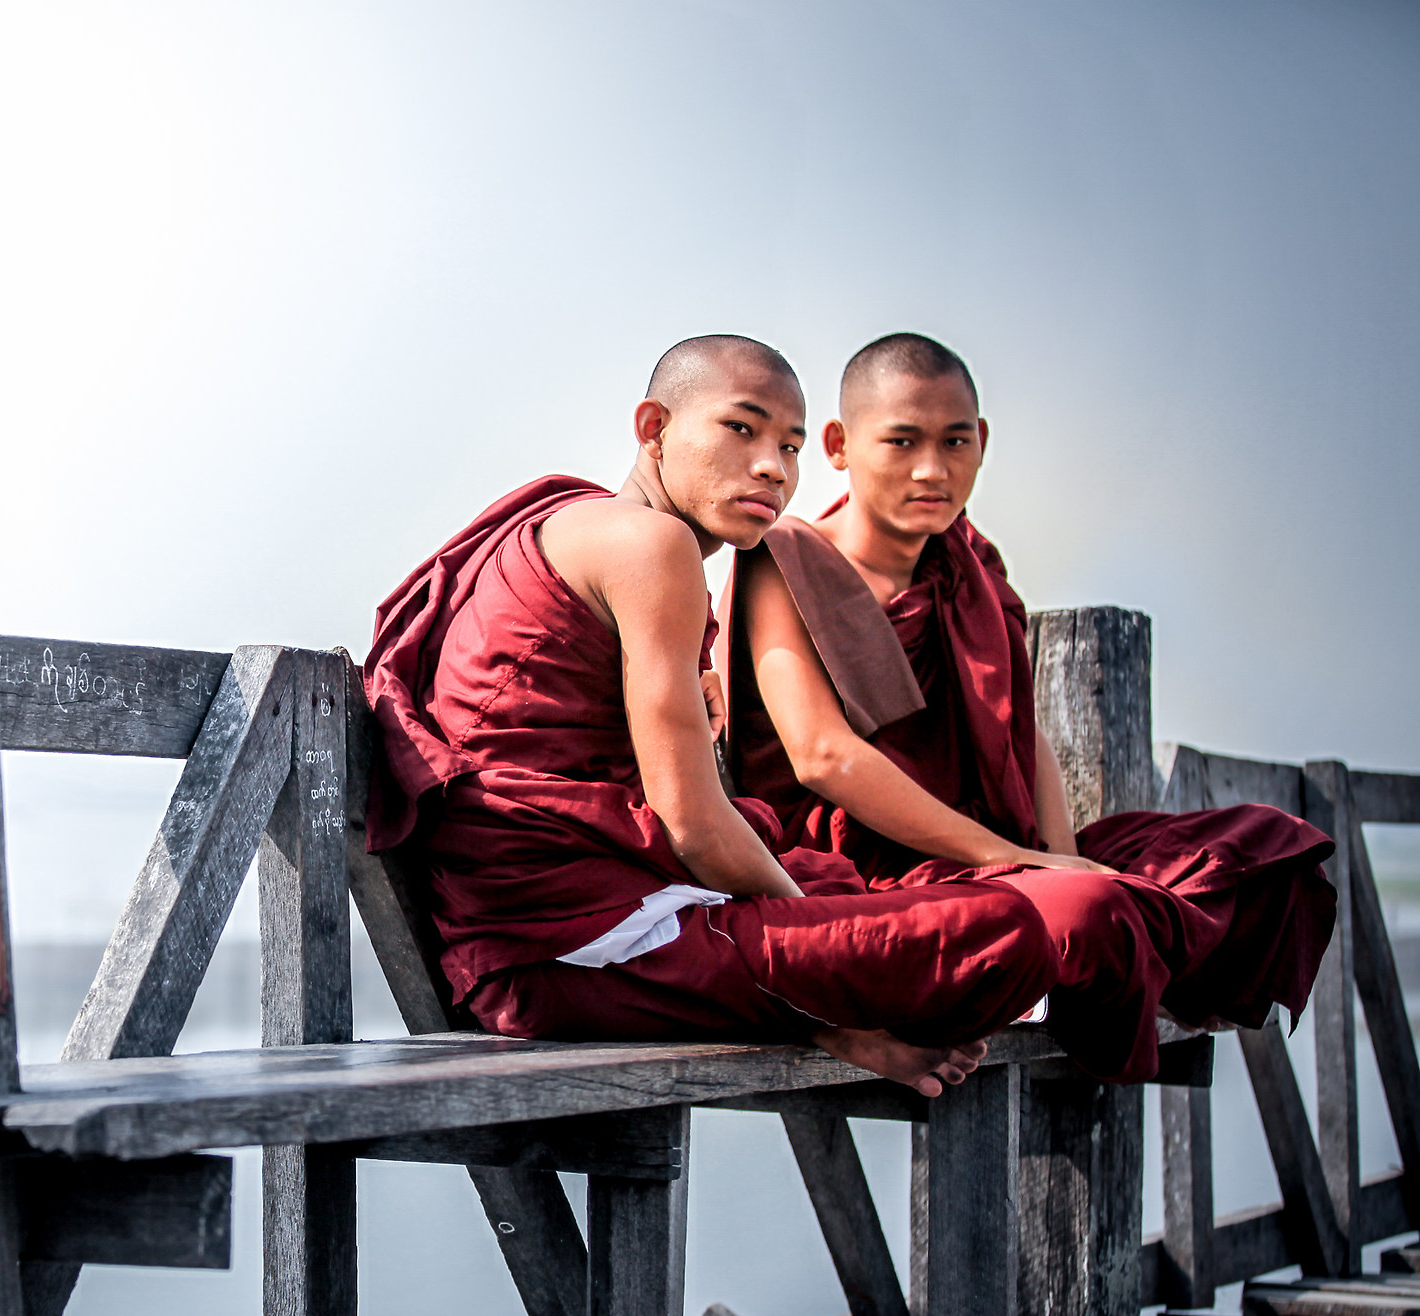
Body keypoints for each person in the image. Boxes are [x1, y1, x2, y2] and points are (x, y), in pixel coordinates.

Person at [363, 335, 1056, 1096]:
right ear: (652, 427)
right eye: (742, 428)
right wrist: (819, 953)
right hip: (566, 950)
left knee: (864, 894)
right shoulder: (649, 544)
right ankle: (836, 1018)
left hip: (562, 925)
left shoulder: (587, 528)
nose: (773, 467)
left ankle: (835, 1009)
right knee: (1003, 934)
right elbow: (691, 820)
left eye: (791, 447)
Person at [722, 333, 1334, 1083]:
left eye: (954, 442)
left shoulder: (970, 563)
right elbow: (823, 755)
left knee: (1264, 852)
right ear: (841, 445)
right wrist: (1010, 861)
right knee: (1091, 912)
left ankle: (1073, 960)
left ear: (981, 442)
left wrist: (1059, 852)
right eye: (903, 442)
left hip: (992, 859)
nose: (932, 470)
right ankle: (1081, 958)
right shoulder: (783, 560)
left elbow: (1019, 726)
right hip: (865, 881)